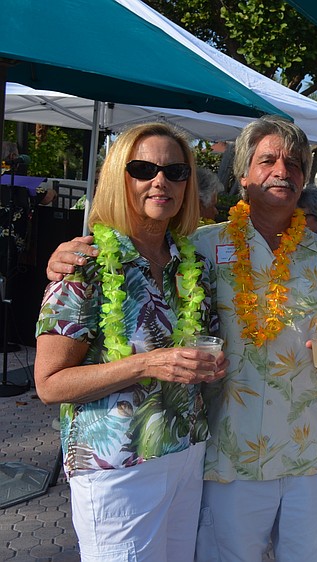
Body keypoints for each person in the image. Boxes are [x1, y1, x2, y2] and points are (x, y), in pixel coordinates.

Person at [45, 116, 317, 562]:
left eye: (295, 163)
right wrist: (67, 255)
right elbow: (131, 251)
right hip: (224, 455)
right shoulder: (198, 248)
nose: (282, 170)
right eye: (268, 160)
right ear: (242, 176)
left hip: (307, 451)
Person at [34, 122, 226, 561]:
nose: (161, 181)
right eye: (144, 169)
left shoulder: (192, 263)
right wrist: (145, 364)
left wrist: (214, 366)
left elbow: (207, 347)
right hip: (116, 467)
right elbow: (50, 384)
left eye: (175, 172)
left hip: (185, 453)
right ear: (120, 178)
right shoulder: (85, 265)